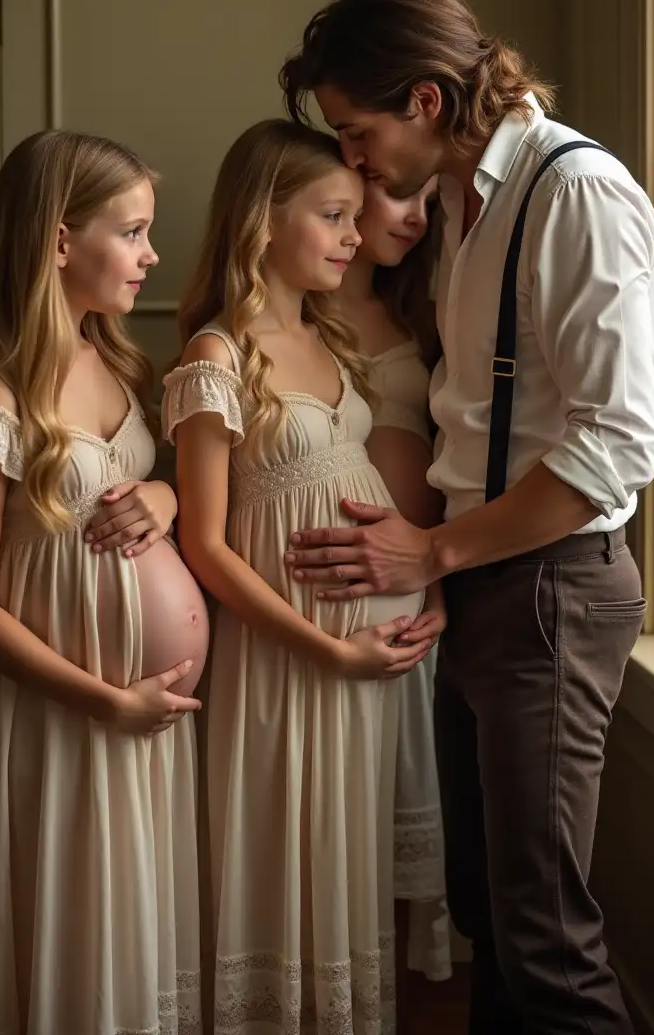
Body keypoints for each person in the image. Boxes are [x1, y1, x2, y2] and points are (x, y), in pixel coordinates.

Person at [279, 0, 654, 1034]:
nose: (351, 158)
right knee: (492, 916)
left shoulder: (573, 192)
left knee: (544, 941)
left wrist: (436, 553)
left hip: (550, 593)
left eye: (357, 131)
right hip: (489, 588)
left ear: (427, 102)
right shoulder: (456, 205)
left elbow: (613, 448)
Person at [162, 118, 443, 1035]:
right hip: (287, 657)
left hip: (363, 662)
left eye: (356, 216)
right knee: (281, 854)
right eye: (333, 216)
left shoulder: (330, 339)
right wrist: (329, 647)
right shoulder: (217, 356)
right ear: (262, 221)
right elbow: (206, 544)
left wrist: (421, 595)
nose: (357, 236)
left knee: (344, 866)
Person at [0, 131, 204, 1035]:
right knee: (67, 930)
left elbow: (162, 490)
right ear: (58, 242)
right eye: (132, 233)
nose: (151, 255)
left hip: (137, 719)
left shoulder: (125, 366)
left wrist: (165, 492)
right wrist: (104, 702)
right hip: (60, 713)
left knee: (125, 930)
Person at [333, 176, 452, 1003]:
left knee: (400, 824)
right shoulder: (277, 327)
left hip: (419, 604)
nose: (417, 218)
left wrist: (440, 580)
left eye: (430, 204)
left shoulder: (428, 318)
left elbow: (456, 472)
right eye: (400, 197)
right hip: (324, 614)